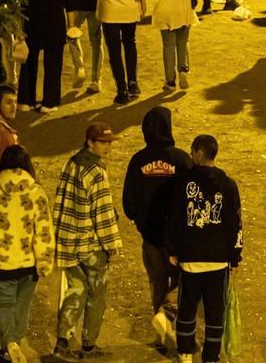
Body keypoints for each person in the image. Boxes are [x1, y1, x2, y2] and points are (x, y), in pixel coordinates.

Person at [166, 134, 244, 363]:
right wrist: (235, 256)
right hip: (218, 261)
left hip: (191, 259)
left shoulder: (182, 183)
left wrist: (173, 250)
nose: (190, 156)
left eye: (192, 152)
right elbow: (235, 223)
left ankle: (186, 352)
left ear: (199, 153)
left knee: (187, 307)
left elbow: (175, 220)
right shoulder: (229, 185)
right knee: (215, 312)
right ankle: (211, 356)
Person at [122, 106, 193, 351]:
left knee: (158, 285)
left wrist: (143, 218)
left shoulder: (137, 161)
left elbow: (128, 205)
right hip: (178, 240)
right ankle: (175, 328)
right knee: (184, 283)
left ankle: (162, 334)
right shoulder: (182, 159)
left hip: (150, 238)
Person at [51, 122, 122, 361]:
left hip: (68, 240)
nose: (108, 147)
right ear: (90, 142)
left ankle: (61, 344)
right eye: (103, 142)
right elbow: (102, 214)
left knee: (75, 291)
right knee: (96, 295)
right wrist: (112, 244)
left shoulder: (71, 163)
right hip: (91, 245)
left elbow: (60, 200)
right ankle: (89, 345)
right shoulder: (96, 172)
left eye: (110, 142)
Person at [0, 146, 53, 363]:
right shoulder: (36, 192)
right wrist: (45, 262)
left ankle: (9, 343)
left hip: (1, 263)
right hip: (29, 263)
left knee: (3, 304)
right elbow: (44, 231)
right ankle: (15, 342)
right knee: (21, 306)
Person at [18, 0, 69, 112]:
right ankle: (50, 102)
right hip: (55, 25)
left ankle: (26, 100)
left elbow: (24, 2)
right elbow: (69, 5)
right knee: (53, 64)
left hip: (34, 23)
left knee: (29, 62)